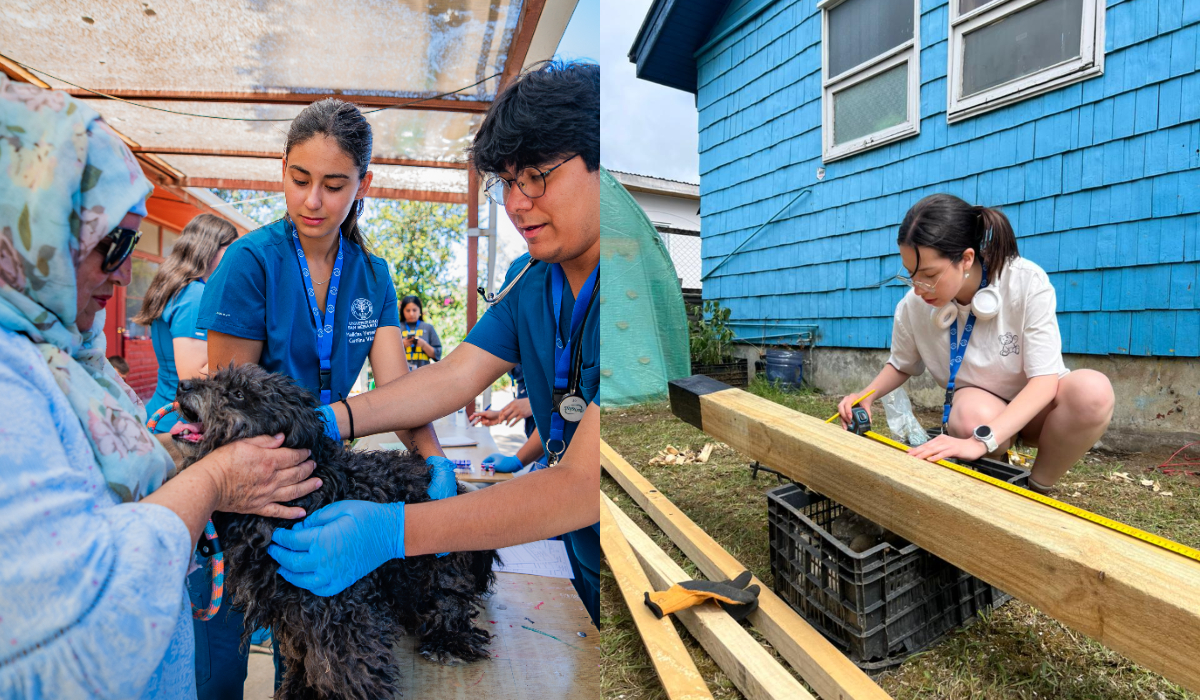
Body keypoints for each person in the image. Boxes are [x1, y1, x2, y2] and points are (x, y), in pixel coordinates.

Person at [0, 76, 319, 699]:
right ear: (28, 225)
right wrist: (215, 480)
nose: (125, 272)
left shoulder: (64, 349)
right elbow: (79, 631)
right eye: (112, 243)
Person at [266, 61, 603, 625]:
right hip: (578, 550)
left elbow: (582, 484)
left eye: (537, 176)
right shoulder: (529, 278)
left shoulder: (629, 286)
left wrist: (396, 530)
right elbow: (449, 380)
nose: (517, 204)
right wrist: (332, 420)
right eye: (506, 182)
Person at [195, 97, 454, 696]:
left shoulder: (373, 273)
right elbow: (233, 407)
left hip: (325, 476)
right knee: (258, 644)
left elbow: (400, 392)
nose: (313, 201)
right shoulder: (250, 262)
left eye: (335, 185)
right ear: (281, 167)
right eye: (300, 179)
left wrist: (434, 457)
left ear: (364, 184)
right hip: (259, 481)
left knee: (325, 646)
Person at [838, 193, 1114, 493]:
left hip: (1039, 412)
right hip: (980, 410)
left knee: (1093, 392)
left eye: (929, 275)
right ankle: (996, 481)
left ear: (966, 258)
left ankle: (1037, 488)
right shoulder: (913, 306)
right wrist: (864, 396)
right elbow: (901, 363)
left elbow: (1045, 381)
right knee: (970, 416)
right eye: (910, 276)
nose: (919, 288)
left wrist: (979, 442)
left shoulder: (1025, 281)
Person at [137, 214, 238, 435]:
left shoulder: (179, 289)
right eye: (230, 250)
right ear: (209, 248)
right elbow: (194, 379)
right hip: (177, 422)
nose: (234, 259)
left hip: (164, 413)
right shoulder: (195, 296)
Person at [398, 294, 442, 369]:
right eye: (408, 310)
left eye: (414, 310)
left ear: (420, 310)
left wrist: (424, 345)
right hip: (401, 373)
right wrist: (401, 345)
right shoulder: (397, 328)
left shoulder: (428, 328)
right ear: (403, 311)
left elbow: (437, 354)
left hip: (423, 374)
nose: (411, 314)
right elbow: (387, 354)